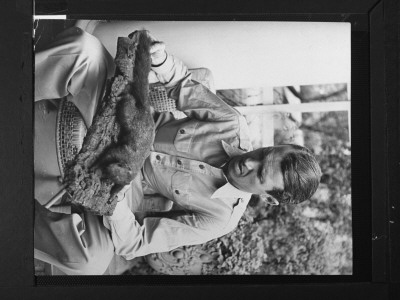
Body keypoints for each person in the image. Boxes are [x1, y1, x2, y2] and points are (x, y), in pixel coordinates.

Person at [34, 26, 322, 275]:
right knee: (84, 49)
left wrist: (117, 192)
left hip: (122, 185)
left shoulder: (220, 219)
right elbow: (182, 85)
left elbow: (135, 242)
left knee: (90, 261)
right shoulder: (233, 125)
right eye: (263, 153)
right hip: (123, 122)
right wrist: (160, 60)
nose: (249, 161)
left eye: (259, 174)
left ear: (268, 199)